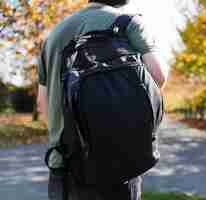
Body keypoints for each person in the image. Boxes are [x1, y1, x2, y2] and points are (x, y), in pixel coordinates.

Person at [36, 0, 169, 199]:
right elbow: (158, 76)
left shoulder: (52, 36)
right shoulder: (129, 23)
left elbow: (42, 103)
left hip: (64, 165)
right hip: (118, 164)